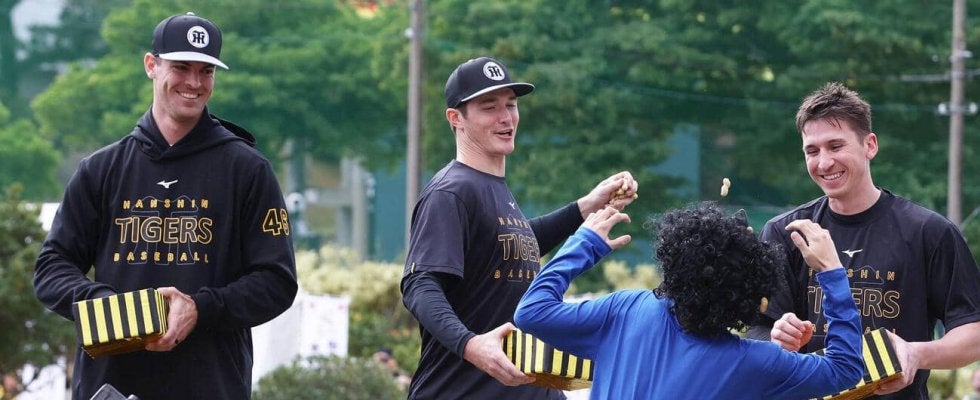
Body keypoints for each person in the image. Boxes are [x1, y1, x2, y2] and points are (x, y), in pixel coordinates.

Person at [33, 12, 298, 400]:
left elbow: (277, 282)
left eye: (206, 71)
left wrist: (200, 309)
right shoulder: (100, 169)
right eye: (181, 67)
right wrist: (109, 307)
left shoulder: (248, 170)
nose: (194, 82)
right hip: (108, 385)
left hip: (211, 386)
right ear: (151, 66)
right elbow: (51, 268)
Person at [400, 56, 639, 400]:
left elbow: (513, 244)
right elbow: (419, 284)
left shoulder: (490, 186)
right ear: (455, 118)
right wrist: (471, 345)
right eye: (489, 107)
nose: (506, 117)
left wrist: (586, 207)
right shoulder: (451, 191)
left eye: (511, 104)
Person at [746, 82, 980, 398]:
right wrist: (776, 336)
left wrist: (915, 353)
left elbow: (973, 334)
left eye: (835, 146)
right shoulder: (786, 232)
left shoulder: (928, 232)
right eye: (812, 151)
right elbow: (756, 330)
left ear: (869, 145)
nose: (824, 162)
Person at [514, 203, 864, 399]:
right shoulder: (754, 363)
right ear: (753, 294)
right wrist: (832, 272)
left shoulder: (627, 310)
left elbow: (531, 312)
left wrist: (585, 243)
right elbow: (846, 369)